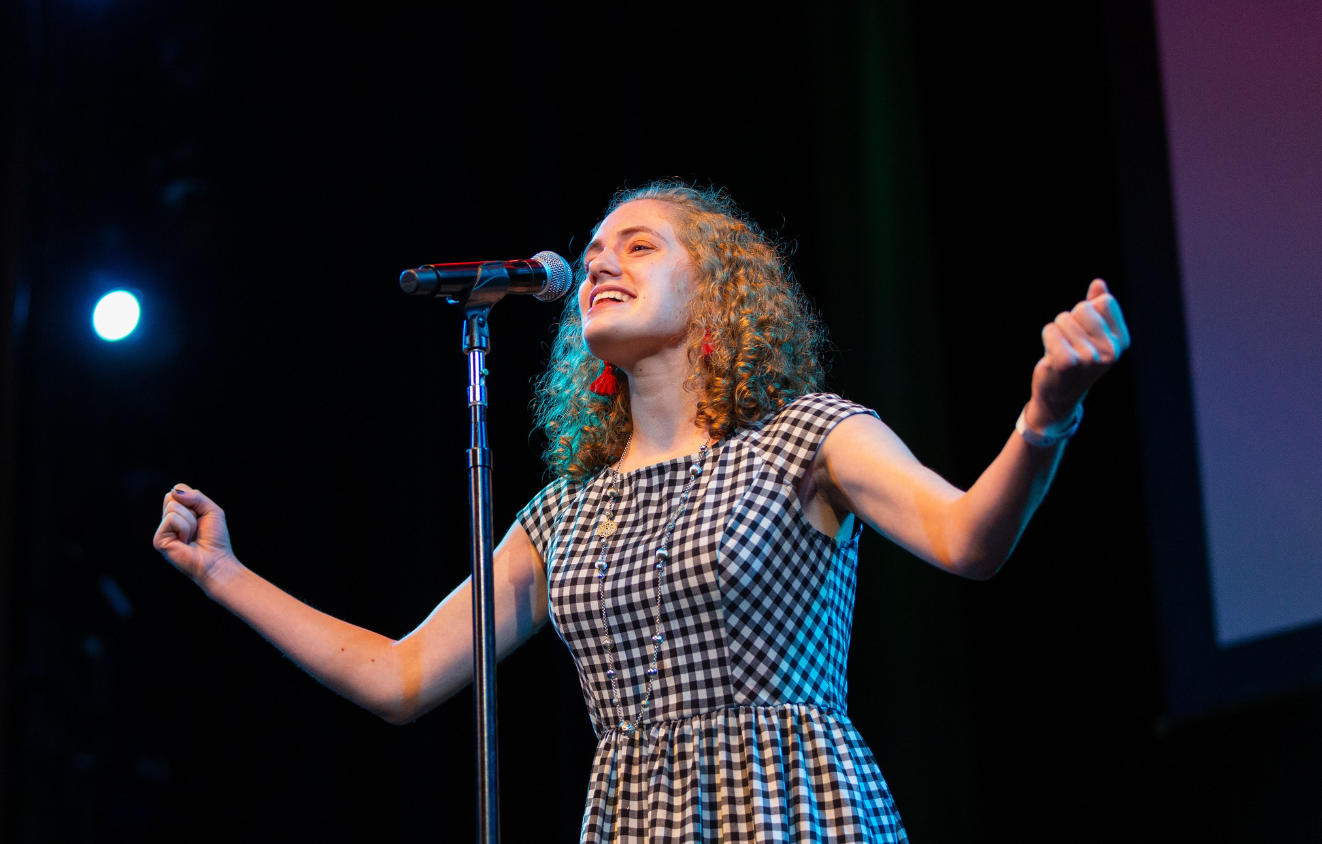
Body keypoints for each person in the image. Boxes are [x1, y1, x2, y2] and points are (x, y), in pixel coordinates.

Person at [154, 181, 1129, 842]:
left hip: (795, 805)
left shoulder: (812, 436)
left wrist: (1045, 416)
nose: (600, 264)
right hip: (632, 817)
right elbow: (401, 675)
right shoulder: (561, 514)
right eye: (592, 253)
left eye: (639, 245)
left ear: (716, 295)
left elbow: (968, 541)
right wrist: (225, 574)